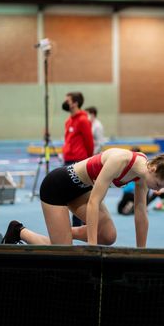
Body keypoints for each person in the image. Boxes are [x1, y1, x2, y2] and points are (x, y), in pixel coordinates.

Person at [1, 149, 164, 247]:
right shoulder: (121, 160)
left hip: (81, 191)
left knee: (109, 236)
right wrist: (91, 246)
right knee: (64, 252)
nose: (157, 190)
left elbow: (140, 211)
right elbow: (94, 202)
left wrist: (141, 252)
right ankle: (18, 230)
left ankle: (63, 233)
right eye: (158, 185)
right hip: (56, 187)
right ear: (153, 168)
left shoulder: (143, 175)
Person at [62, 92, 94, 227]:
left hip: (79, 161)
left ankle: (83, 226)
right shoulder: (68, 121)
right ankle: (76, 226)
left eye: (67, 100)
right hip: (68, 161)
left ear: (75, 103)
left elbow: (89, 142)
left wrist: (88, 162)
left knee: (80, 197)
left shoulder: (83, 120)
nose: (65, 102)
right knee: (69, 196)